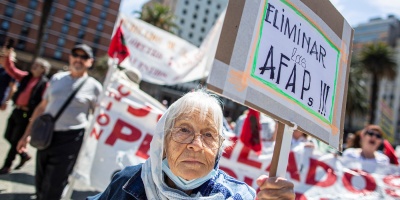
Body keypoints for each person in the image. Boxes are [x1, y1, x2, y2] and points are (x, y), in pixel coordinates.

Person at [88, 90, 294, 200]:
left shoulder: (239, 197)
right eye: (184, 130)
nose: (196, 145)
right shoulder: (130, 181)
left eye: (208, 135)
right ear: (164, 141)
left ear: (219, 148)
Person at [17, 44, 103, 200]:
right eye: (75, 55)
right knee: (40, 180)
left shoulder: (95, 87)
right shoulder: (57, 78)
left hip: (70, 140)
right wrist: (25, 135)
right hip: (46, 136)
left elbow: (99, 116)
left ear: (90, 62)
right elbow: (41, 108)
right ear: (70, 57)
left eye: (84, 57)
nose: (79, 59)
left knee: (54, 185)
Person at [0, 48, 51, 175]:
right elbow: (11, 69)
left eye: (38, 66)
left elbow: (44, 103)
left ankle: (7, 165)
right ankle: (23, 154)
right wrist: (8, 57)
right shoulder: (26, 77)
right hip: (16, 110)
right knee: (7, 135)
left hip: (27, 115)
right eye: (34, 65)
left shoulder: (44, 84)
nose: (34, 67)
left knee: (16, 139)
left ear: (43, 70)